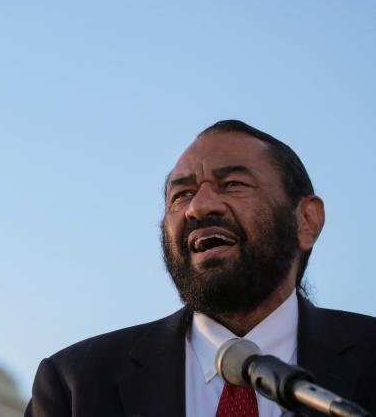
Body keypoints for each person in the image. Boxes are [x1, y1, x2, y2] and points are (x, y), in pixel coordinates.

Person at [25, 120, 375, 417]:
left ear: (306, 221)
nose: (199, 207)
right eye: (181, 195)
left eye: (234, 185)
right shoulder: (74, 386)